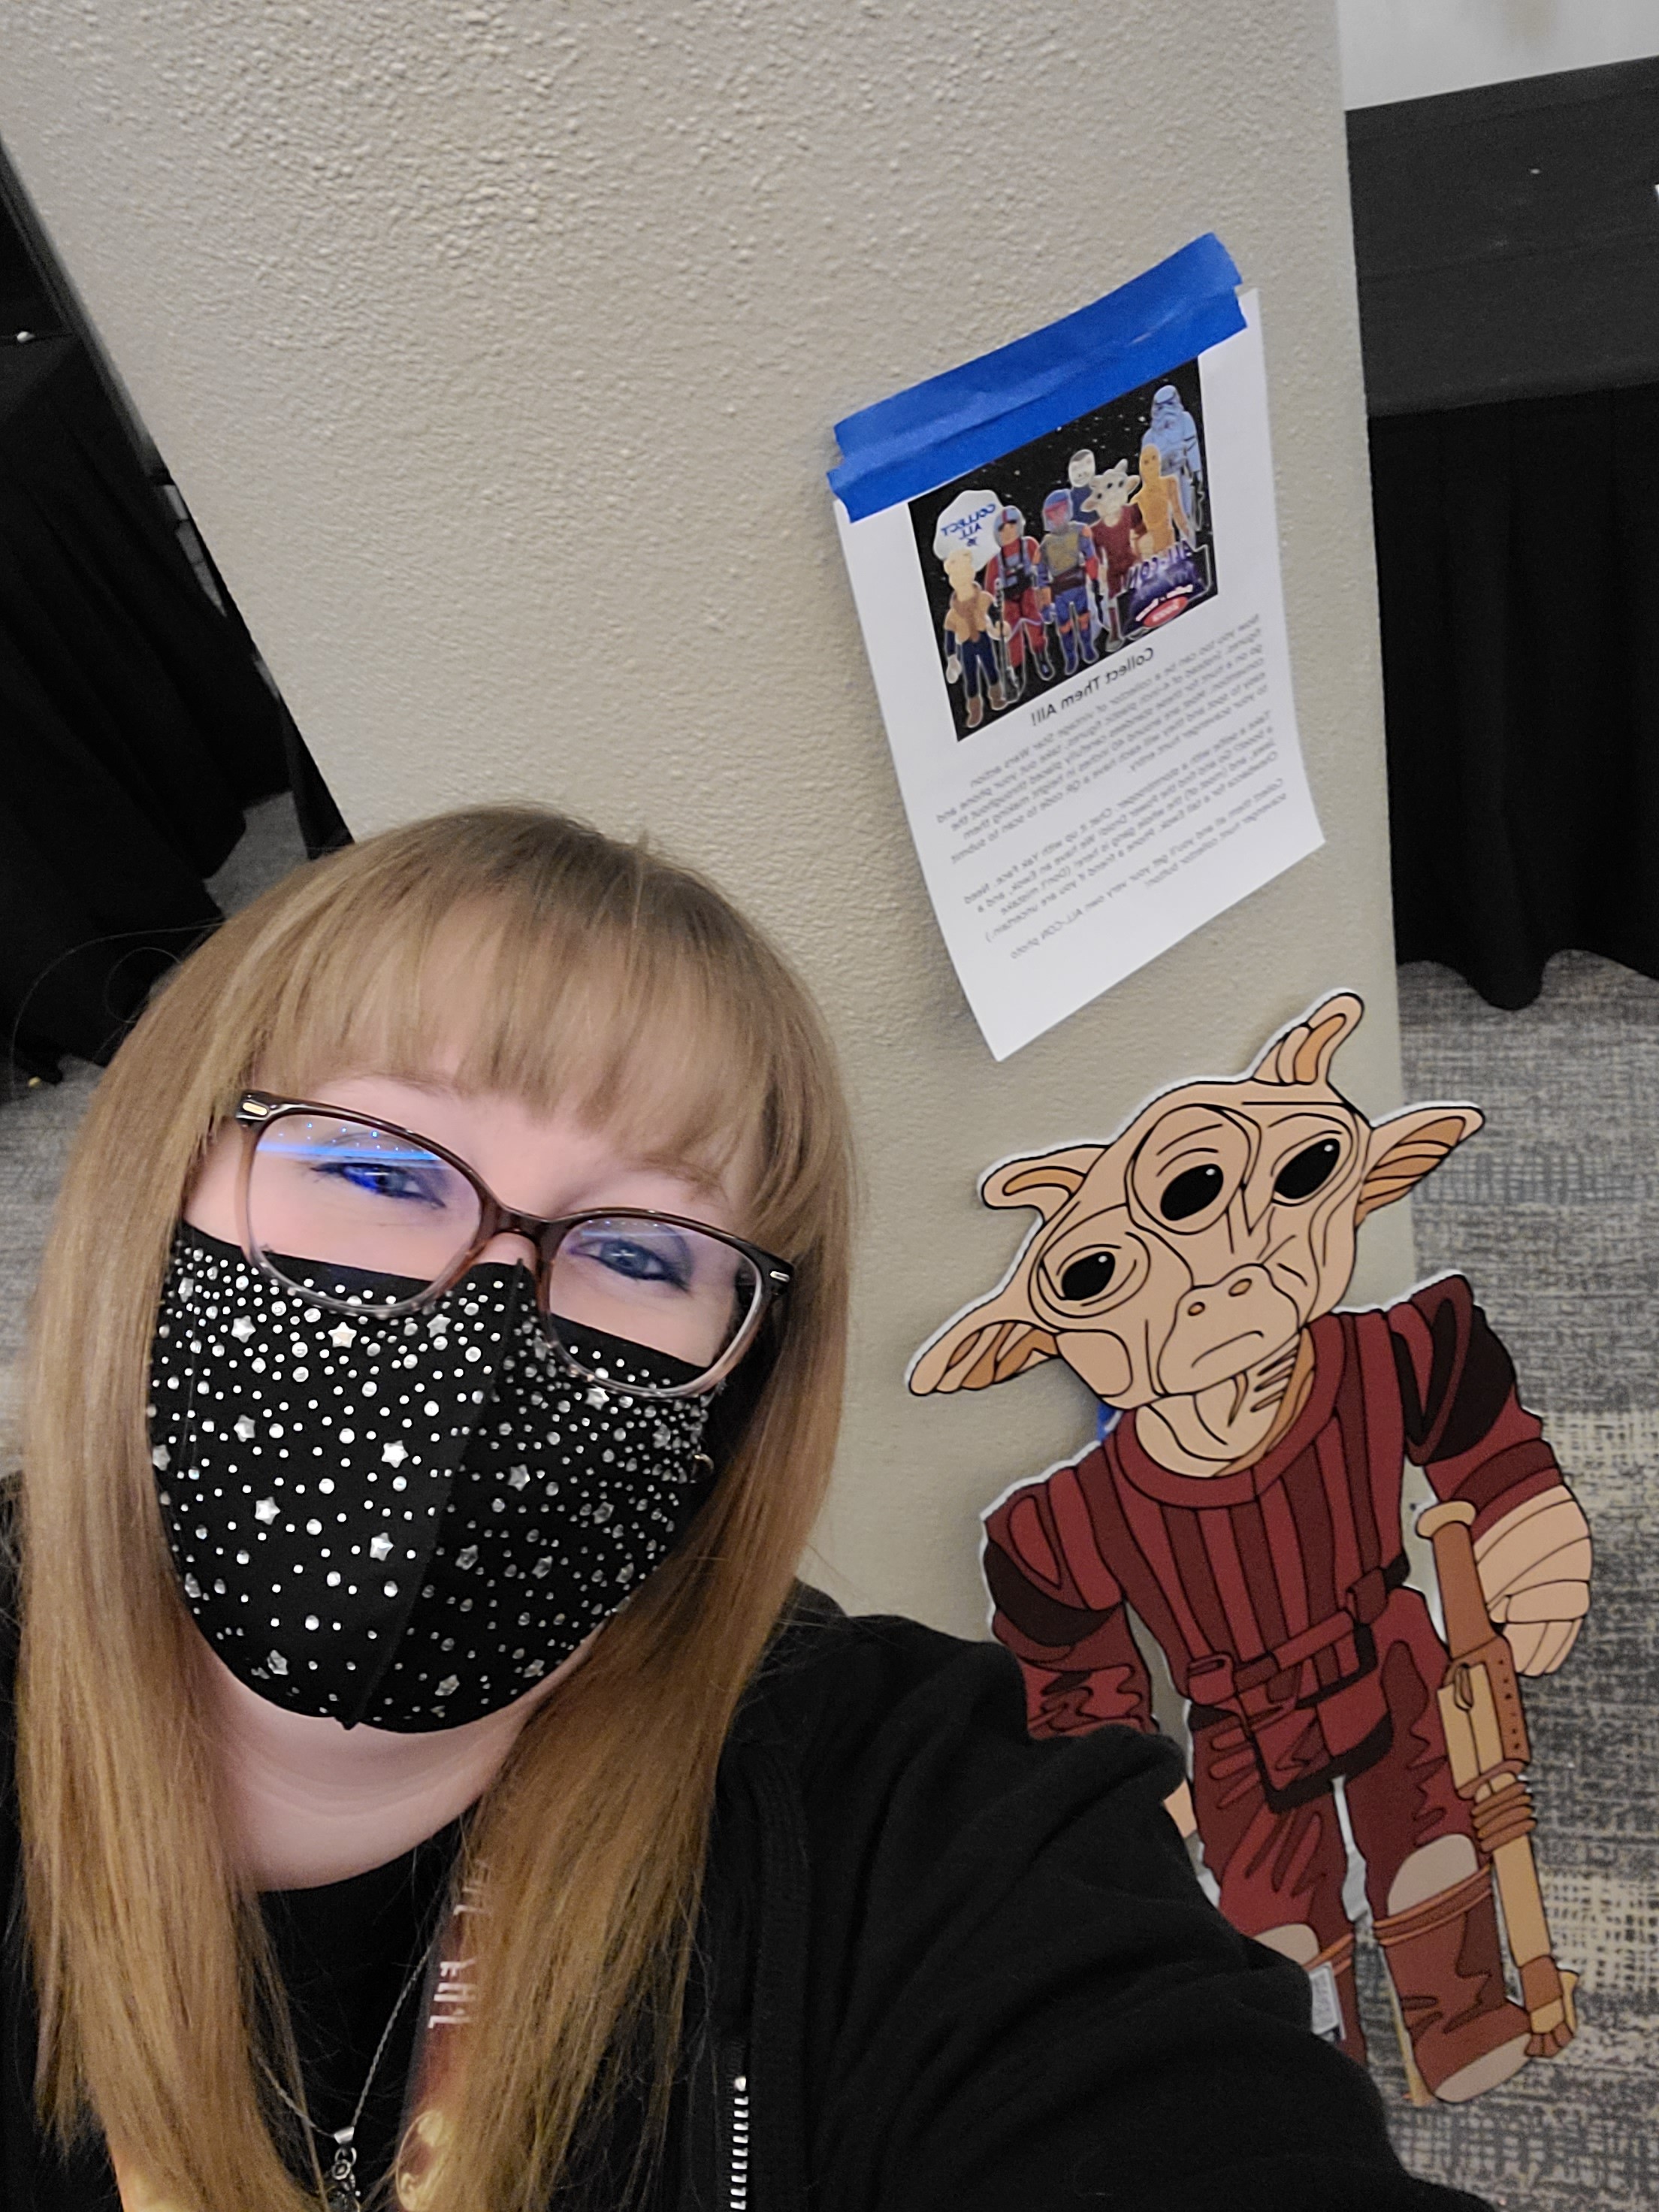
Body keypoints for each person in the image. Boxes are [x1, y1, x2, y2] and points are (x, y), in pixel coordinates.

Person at [7, 806, 1494, 2212]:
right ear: (161, 1189)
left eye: (642, 1254)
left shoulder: (917, 1816)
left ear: (735, 1388)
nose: (490, 1304)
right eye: (376, 1170)